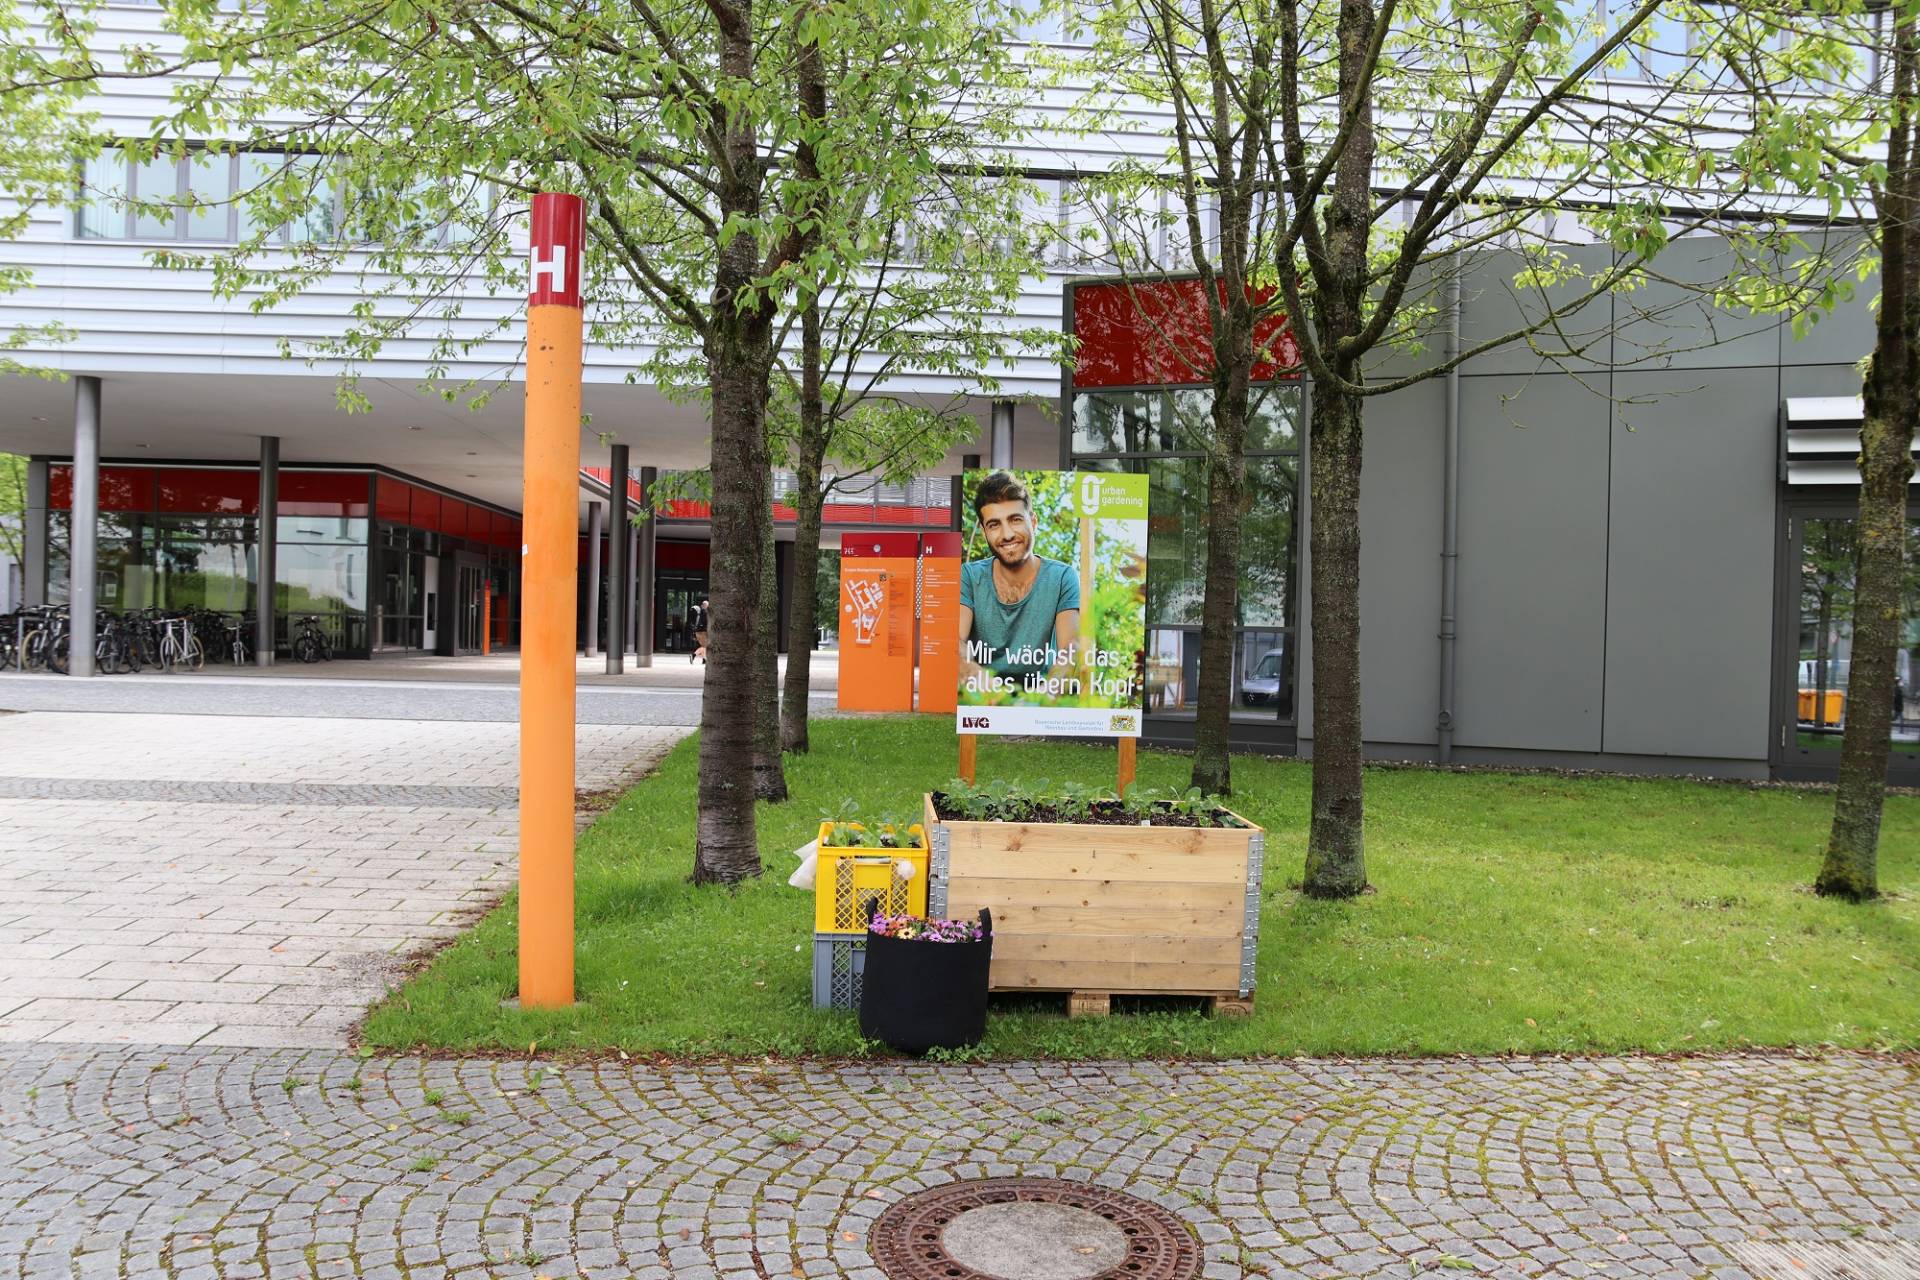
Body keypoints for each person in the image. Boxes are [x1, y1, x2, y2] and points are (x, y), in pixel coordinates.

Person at [958, 471, 1079, 690]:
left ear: (1033, 522)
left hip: (1040, 699)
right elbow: (955, 642)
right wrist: (974, 674)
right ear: (985, 531)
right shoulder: (968, 576)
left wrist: (1046, 695)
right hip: (983, 701)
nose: (1007, 535)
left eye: (1015, 520)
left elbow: (1070, 650)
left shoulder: (1062, 577)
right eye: (994, 524)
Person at [690, 597, 710, 665]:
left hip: (698, 631)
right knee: (705, 646)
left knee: (703, 646)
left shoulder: (699, 612)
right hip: (702, 631)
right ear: (705, 605)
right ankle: (693, 655)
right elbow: (706, 622)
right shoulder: (704, 612)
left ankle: (704, 659)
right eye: (708, 605)